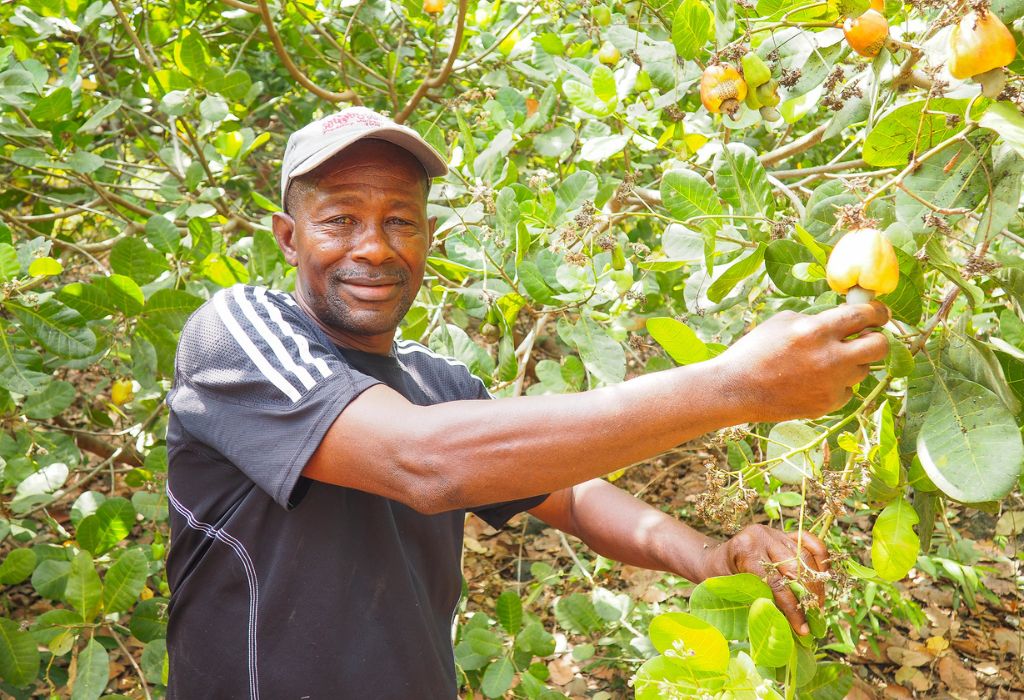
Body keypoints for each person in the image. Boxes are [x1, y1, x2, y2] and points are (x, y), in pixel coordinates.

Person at [164, 107, 890, 699]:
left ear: (428, 236)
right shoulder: (237, 334)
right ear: (288, 238)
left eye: (400, 220)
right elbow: (419, 461)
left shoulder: (435, 382)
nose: (376, 248)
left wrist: (704, 555)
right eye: (340, 219)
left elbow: (570, 499)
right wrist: (735, 386)